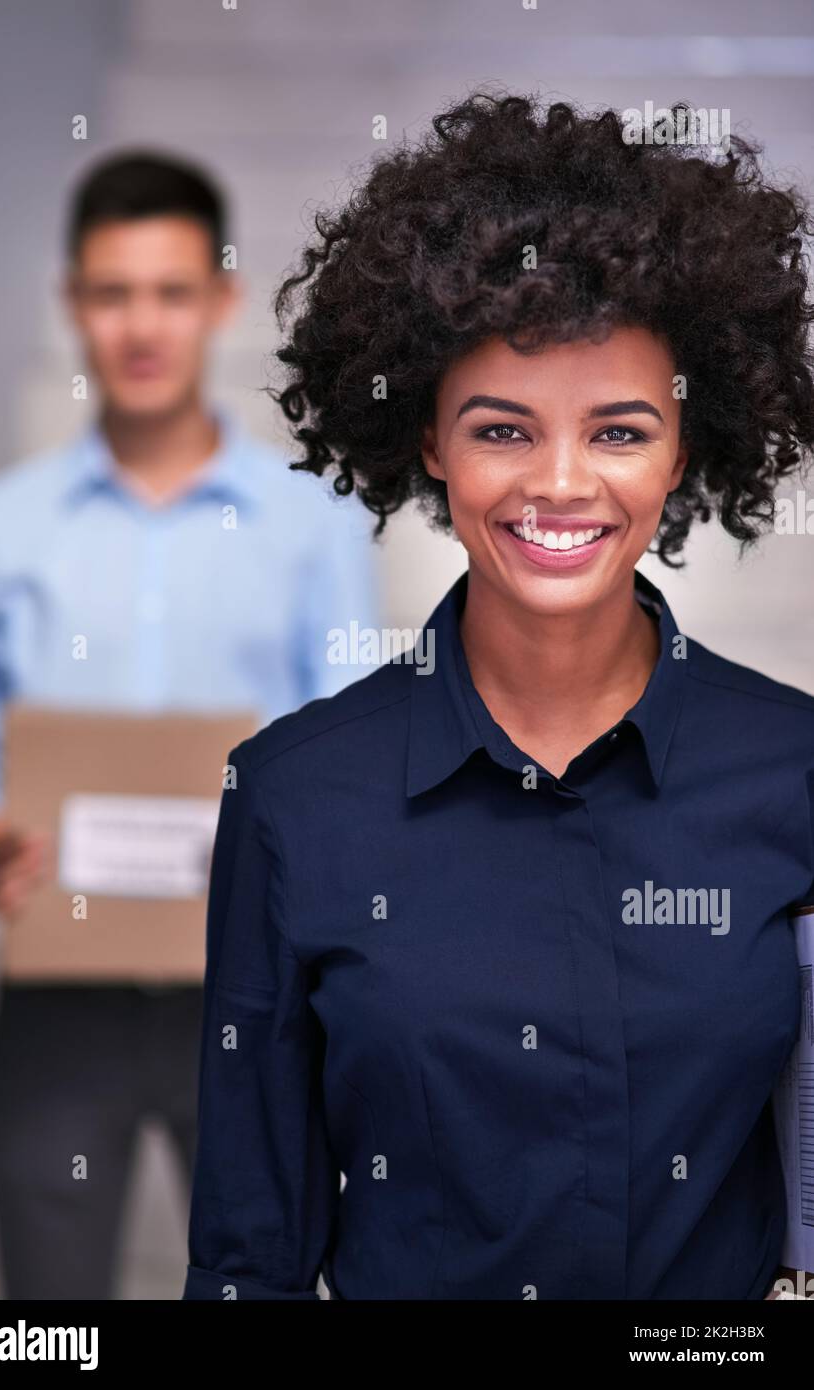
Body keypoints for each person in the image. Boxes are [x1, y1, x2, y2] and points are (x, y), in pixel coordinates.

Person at [183, 91, 814, 1301]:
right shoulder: (295, 798)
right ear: (427, 438)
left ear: (687, 447)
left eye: (620, 431)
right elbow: (248, 1261)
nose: (562, 484)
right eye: (504, 429)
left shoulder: (793, 774)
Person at [0, 149, 379, 1299]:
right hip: (56, 989)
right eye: (112, 291)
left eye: (172, 291)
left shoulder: (313, 525)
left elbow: (346, 743)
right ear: (73, 303)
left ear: (222, 301)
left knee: (266, 1283)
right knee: (48, 1318)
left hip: (250, 997)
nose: (141, 324)